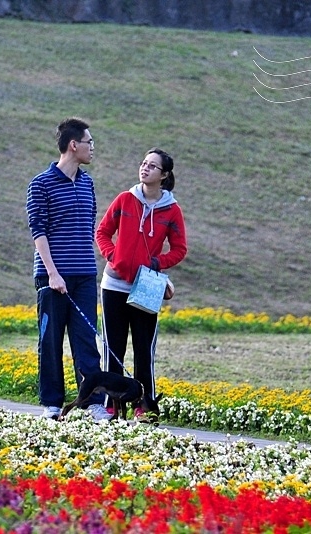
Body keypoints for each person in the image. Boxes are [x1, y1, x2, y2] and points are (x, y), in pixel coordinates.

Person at [26, 117, 111, 422]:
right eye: (89, 142)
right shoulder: (41, 184)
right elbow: (39, 231)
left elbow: (89, 223)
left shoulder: (87, 182)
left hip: (84, 275)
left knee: (86, 340)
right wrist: (52, 273)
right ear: (73, 145)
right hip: (52, 277)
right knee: (50, 340)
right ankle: (51, 403)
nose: (93, 148)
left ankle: (92, 402)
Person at [95, 147, 187, 419]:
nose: (144, 168)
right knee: (114, 347)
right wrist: (114, 256)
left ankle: (144, 407)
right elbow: (102, 232)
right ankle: (113, 406)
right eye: (143, 164)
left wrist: (156, 264)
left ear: (164, 175)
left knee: (144, 348)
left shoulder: (171, 210)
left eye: (152, 166)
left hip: (146, 287)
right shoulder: (125, 199)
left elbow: (179, 249)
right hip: (113, 285)